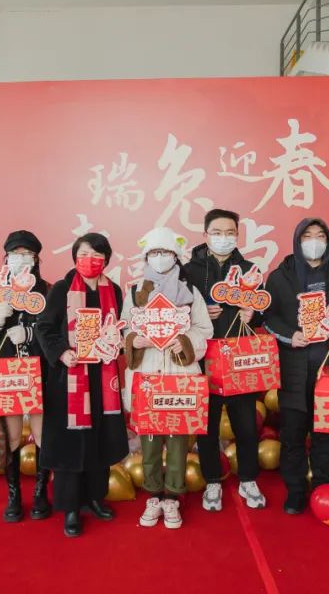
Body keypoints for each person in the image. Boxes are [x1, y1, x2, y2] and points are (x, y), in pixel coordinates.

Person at [263, 218, 329, 515]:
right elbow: (269, 316)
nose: (314, 241)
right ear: (298, 240)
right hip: (294, 366)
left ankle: (323, 484)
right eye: (308, 236)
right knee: (292, 432)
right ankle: (295, 489)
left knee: (326, 432)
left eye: (320, 236)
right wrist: (290, 334)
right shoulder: (281, 275)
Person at [35, 233, 128, 537]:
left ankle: (94, 498)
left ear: (106, 260)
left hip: (103, 379)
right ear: (75, 257)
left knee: (100, 440)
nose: (90, 260)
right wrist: (62, 352)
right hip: (70, 380)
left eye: (97, 254)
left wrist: (117, 344)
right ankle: (71, 507)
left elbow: (120, 329)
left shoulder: (113, 290)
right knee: (70, 445)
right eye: (84, 253)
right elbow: (44, 328)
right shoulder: (62, 289)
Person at [121, 227, 214, 530]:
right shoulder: (134, 292)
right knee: (148, 440)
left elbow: (204, 329)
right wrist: (134, 340)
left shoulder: (189, 292)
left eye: (165, 253)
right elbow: (124, 328)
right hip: (147, 376)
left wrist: (183, 342)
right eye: (154, 253)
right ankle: (153, 494)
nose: (160, 258)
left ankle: (173, 495)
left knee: (177, 439)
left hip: (180, 375)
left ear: (175, 256)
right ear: (146, 257)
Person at [183, 209, 266, 512]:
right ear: (205, 235)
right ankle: (212, 481)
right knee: (207, 427)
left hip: (240, 360)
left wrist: (253, 314)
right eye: (217, 232)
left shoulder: (249, 269)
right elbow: (175, 313)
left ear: (237, 235)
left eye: (230, 232)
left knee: (246, 426)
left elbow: (264, 309)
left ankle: (248, 479)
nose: (223, 238)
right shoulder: (189, 271)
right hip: (203, 360)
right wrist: (198, 312)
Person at [0, 230, 53, 522]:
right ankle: (14, 494)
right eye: (15, 254)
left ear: (36, 259)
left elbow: (58, 333)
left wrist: (30, 333)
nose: (21, 259)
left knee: (42, 434)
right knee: (12, 436)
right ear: (6, 258)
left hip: (40, 371)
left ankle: (41, 492)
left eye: (27, 254)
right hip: (4, 374)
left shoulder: (48, 291)